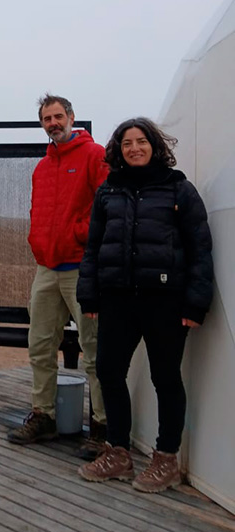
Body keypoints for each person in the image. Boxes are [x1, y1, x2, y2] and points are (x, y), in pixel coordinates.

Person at [77, 117, 213, 493]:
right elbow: (94, 247)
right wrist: (89, 293)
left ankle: (166, 459)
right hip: (117, 298)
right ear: (118, 151)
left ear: (155, 145)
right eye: (126, 143)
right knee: (108, 371)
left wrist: (196, 303)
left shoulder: (178, 190)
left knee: (165, 378)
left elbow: (200, 248)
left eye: (141, 141)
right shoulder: (109, 191)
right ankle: (118, 453)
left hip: (165, 302)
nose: (134, 148)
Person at [7, 94, 109, 460]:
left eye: (58, 116)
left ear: (71, 117)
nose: (53, 123)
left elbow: (108, 201)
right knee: (40, 346)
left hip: (81, 267)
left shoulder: (94, 155)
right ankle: (44, 417)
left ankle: (102, 427)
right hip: (47, 268)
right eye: (46, 118)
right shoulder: (42, 167)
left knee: (94, 349)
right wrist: (38, 242)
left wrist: (81, 233)